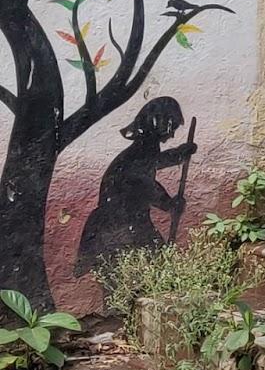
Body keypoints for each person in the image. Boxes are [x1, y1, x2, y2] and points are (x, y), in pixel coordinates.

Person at [74, 96, 195, 275]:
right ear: (161, 123)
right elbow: (143, 180)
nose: (172, 135)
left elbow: (147, 176)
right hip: (118, 224)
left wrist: (169, 203)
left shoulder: (144, 150)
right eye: (172, 127)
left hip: (128, 222)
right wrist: (168, 202)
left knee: (156, 270)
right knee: (150, 271)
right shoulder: (142, 151)